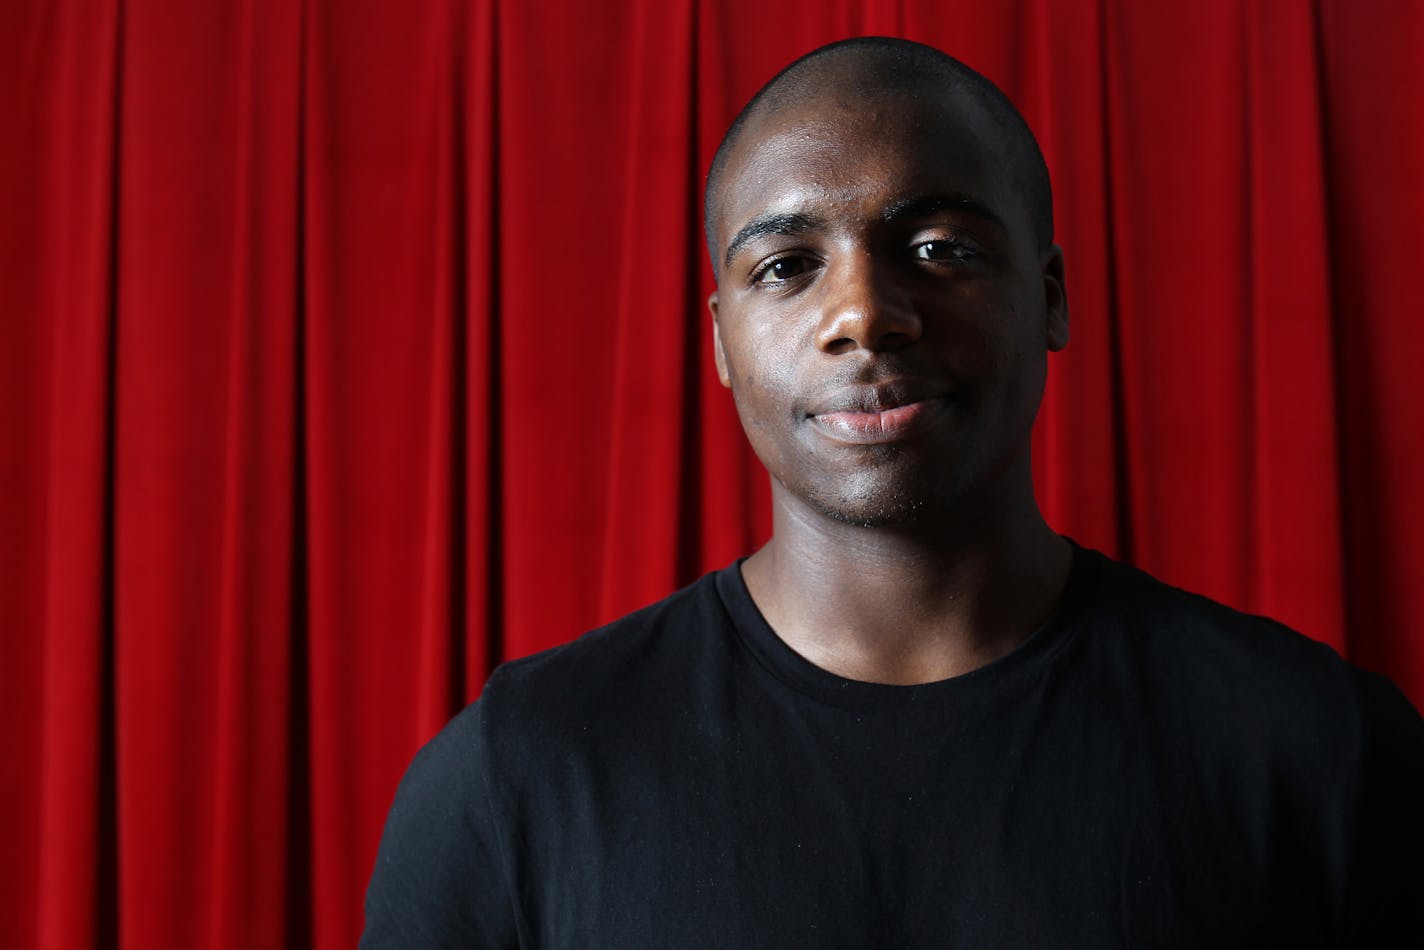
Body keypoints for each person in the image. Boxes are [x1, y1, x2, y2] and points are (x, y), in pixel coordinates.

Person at [362, 37, 1424, 948]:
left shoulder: (1314, 749)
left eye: (937, 248)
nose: (863, 313)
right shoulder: (518, 776)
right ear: (720, 340)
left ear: (1047, 297)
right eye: (784, 265)